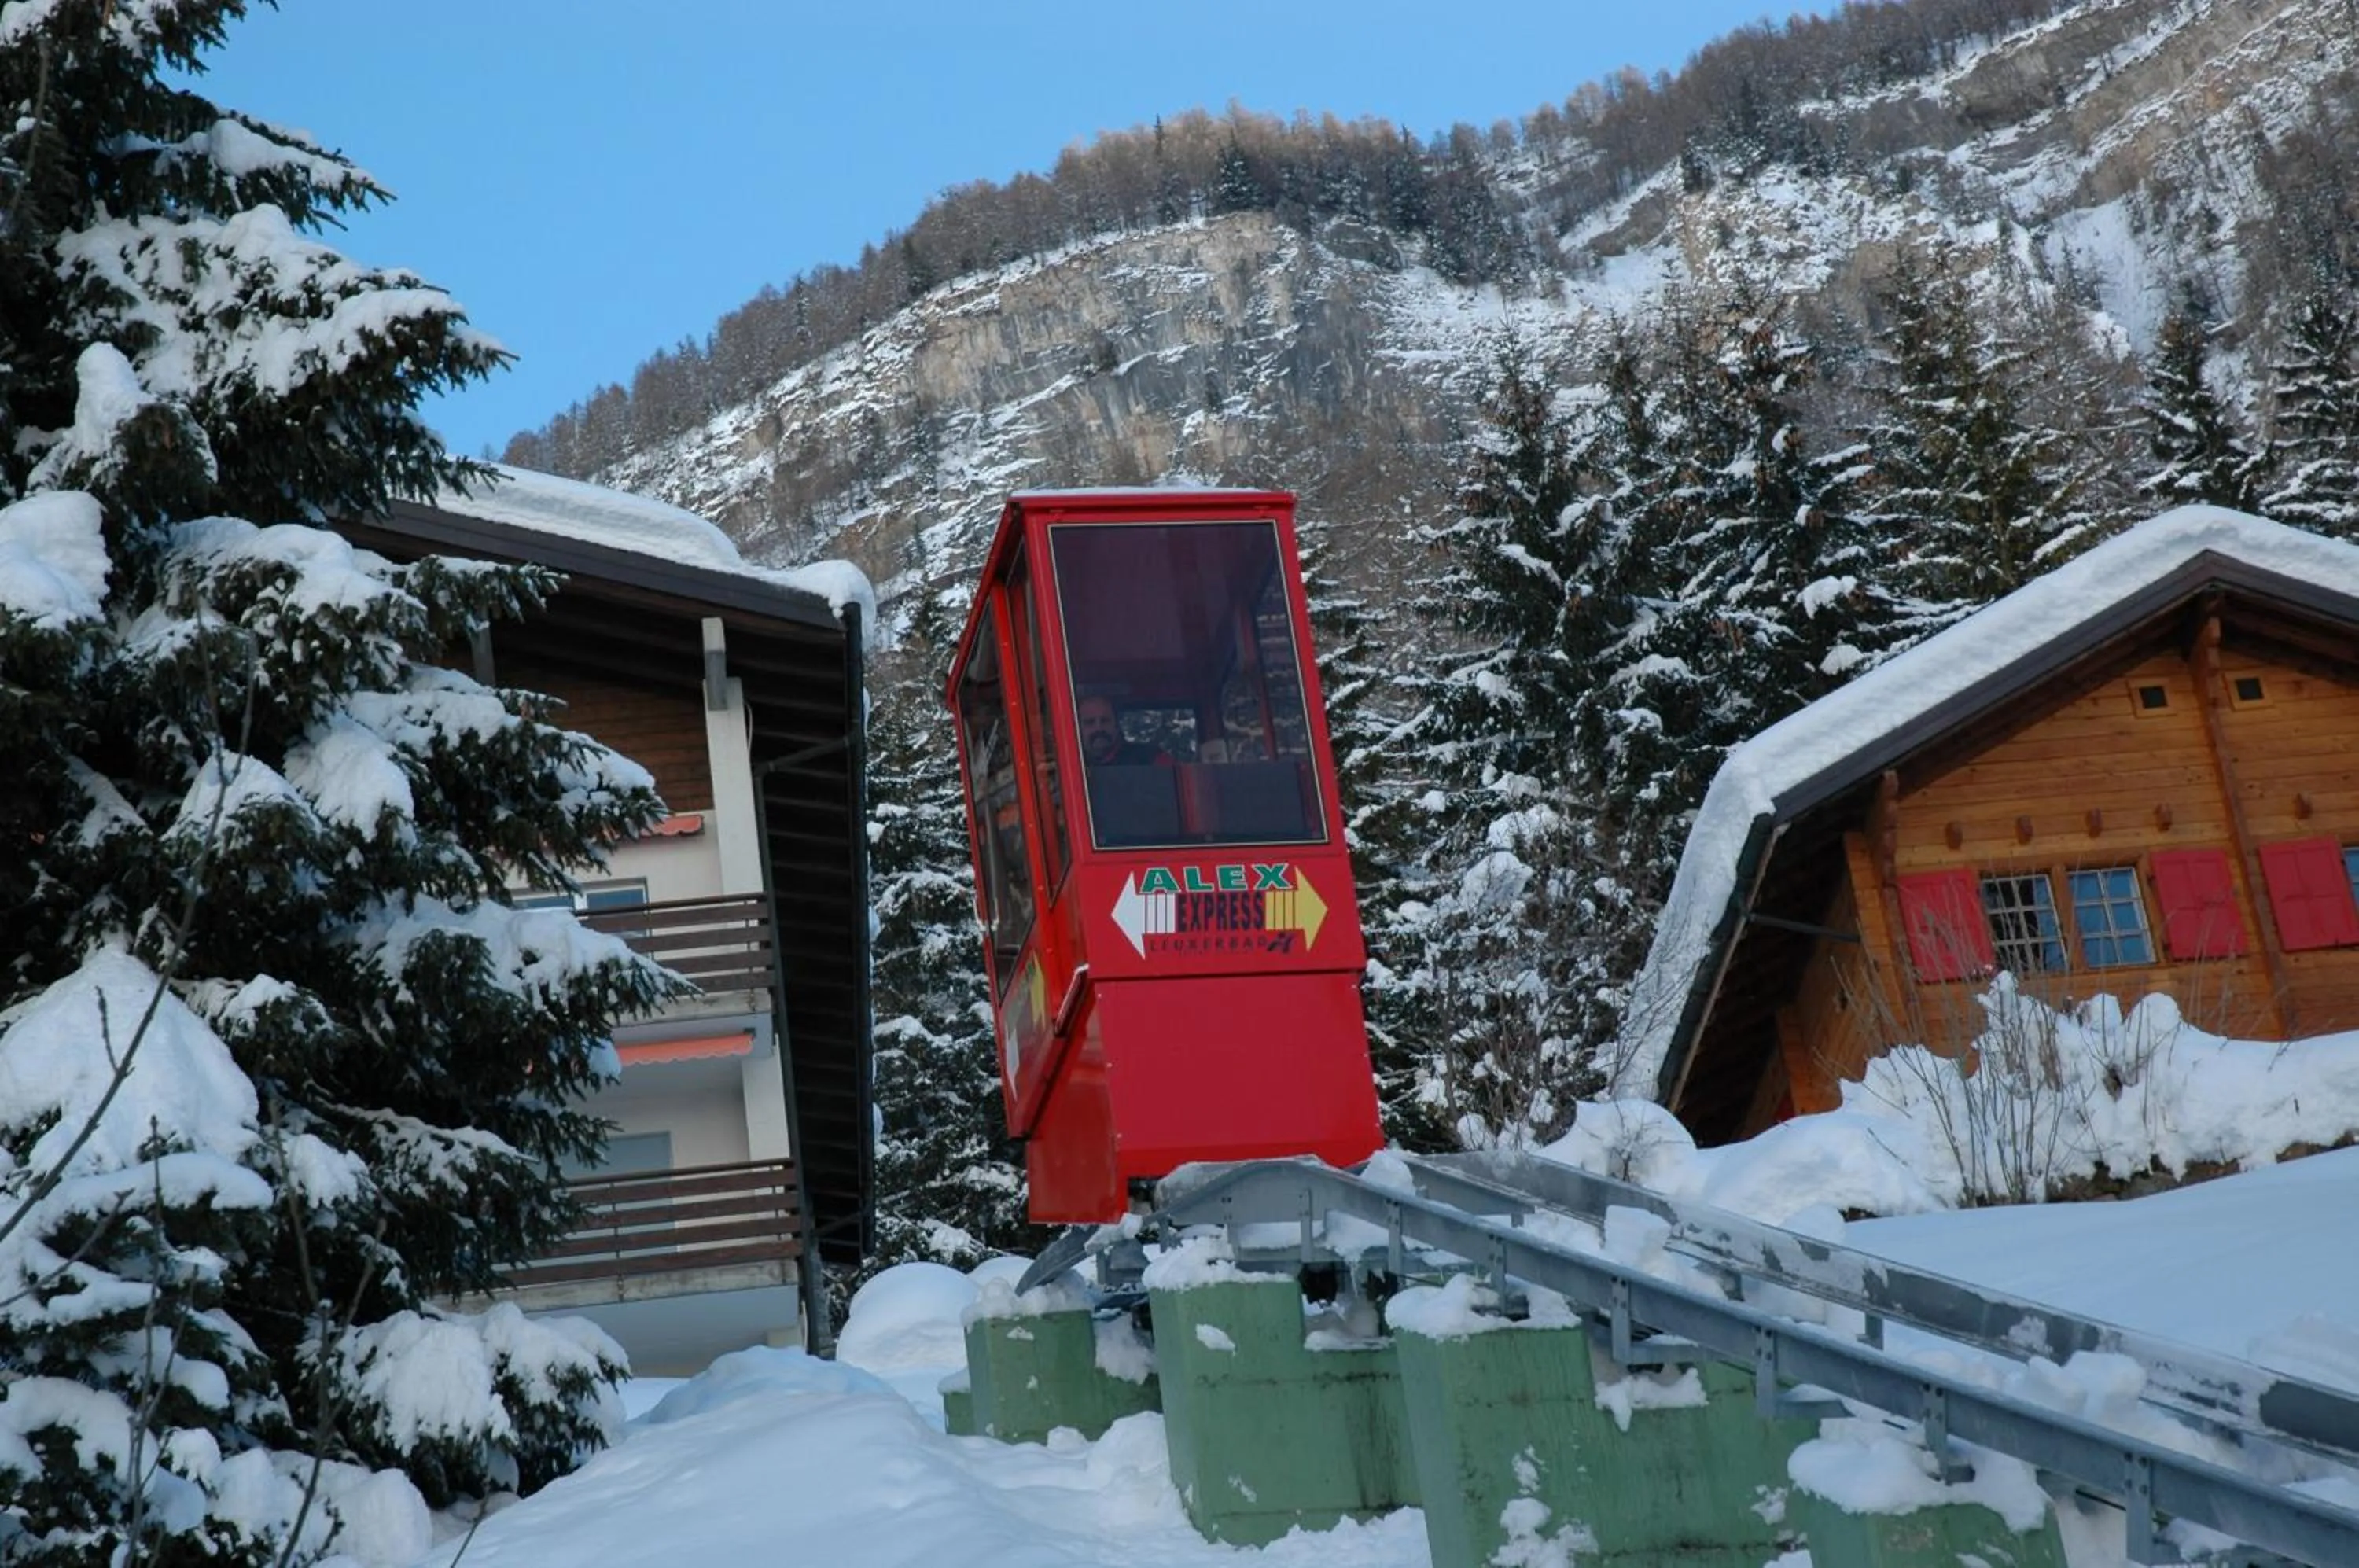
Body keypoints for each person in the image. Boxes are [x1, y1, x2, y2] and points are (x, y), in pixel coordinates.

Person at [1076, 694, 1167, 767]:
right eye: (1089, 722)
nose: (1099, 728)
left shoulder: (1150, 758)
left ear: (1116, 726)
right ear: (1077, 728)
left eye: (1105, 721)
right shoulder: (1069, 762)